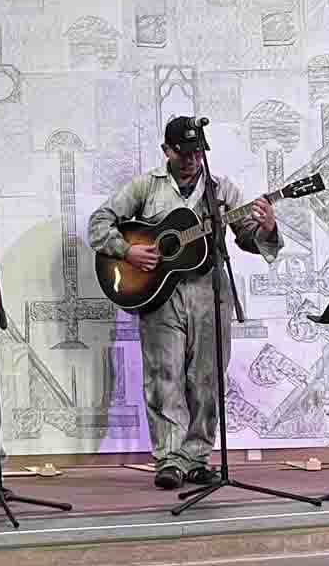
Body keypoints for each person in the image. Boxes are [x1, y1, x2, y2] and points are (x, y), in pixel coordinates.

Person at [86, 117, 281, 489]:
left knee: (207, 380)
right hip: (162, 294)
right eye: (183, 152)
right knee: (164, 378)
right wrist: (127, 251)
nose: (191, 159)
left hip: (210, 292)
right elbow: (100, 223)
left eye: (197, 153)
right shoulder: (146, 186)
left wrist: (267, 228)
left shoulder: (221, 190)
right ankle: (169, 459)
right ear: (167, 151)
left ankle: (196, 458)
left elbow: (246, 237)